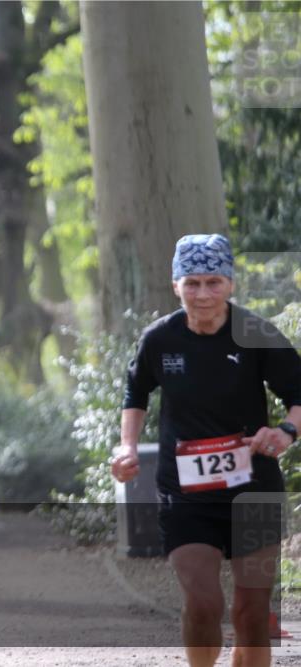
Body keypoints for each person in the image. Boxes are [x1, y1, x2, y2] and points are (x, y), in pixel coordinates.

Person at [111, 234, 300, 667]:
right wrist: (126, 448)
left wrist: (286, 431)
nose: (203, 294)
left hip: (254, 489)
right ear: (175, 284)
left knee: (251, 615)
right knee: (204, 604)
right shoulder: (159, 339)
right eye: (192, 283)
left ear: (231, 284)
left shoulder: (255, 333)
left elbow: (298, 393)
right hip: (186, 495)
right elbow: (135, 394)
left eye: (214, 282)